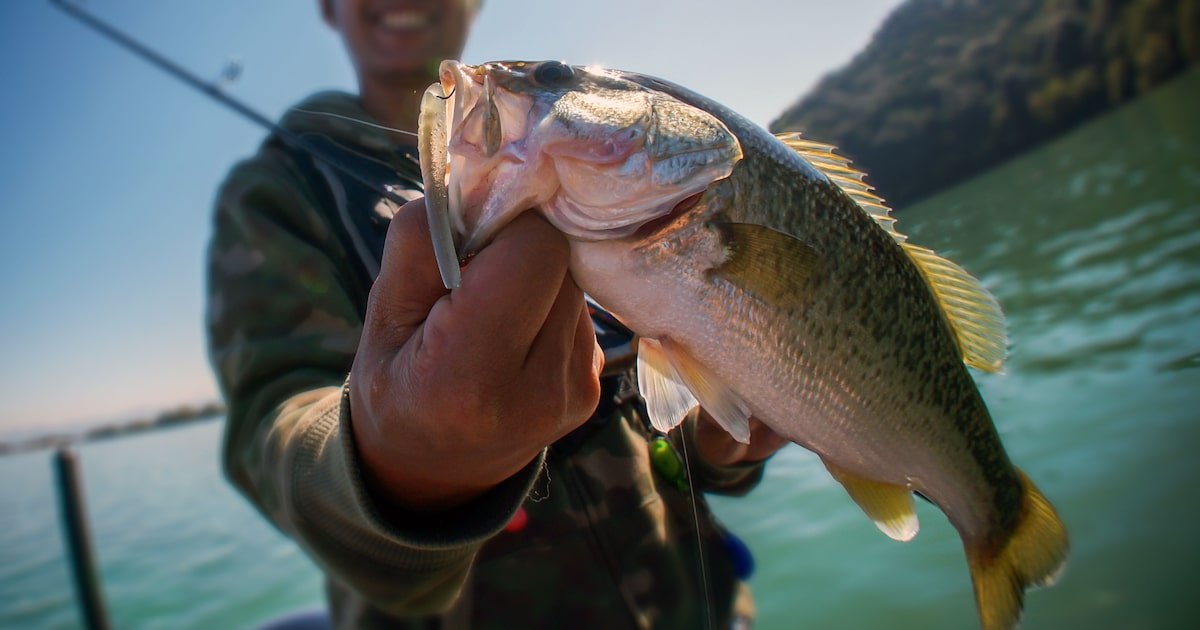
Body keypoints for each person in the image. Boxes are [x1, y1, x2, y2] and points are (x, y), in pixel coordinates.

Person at [207, 1, 786, 627]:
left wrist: (720, 450)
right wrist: (407, 467)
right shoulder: (277, 192)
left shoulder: (611, 186)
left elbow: (661, 407)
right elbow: (267, 426)